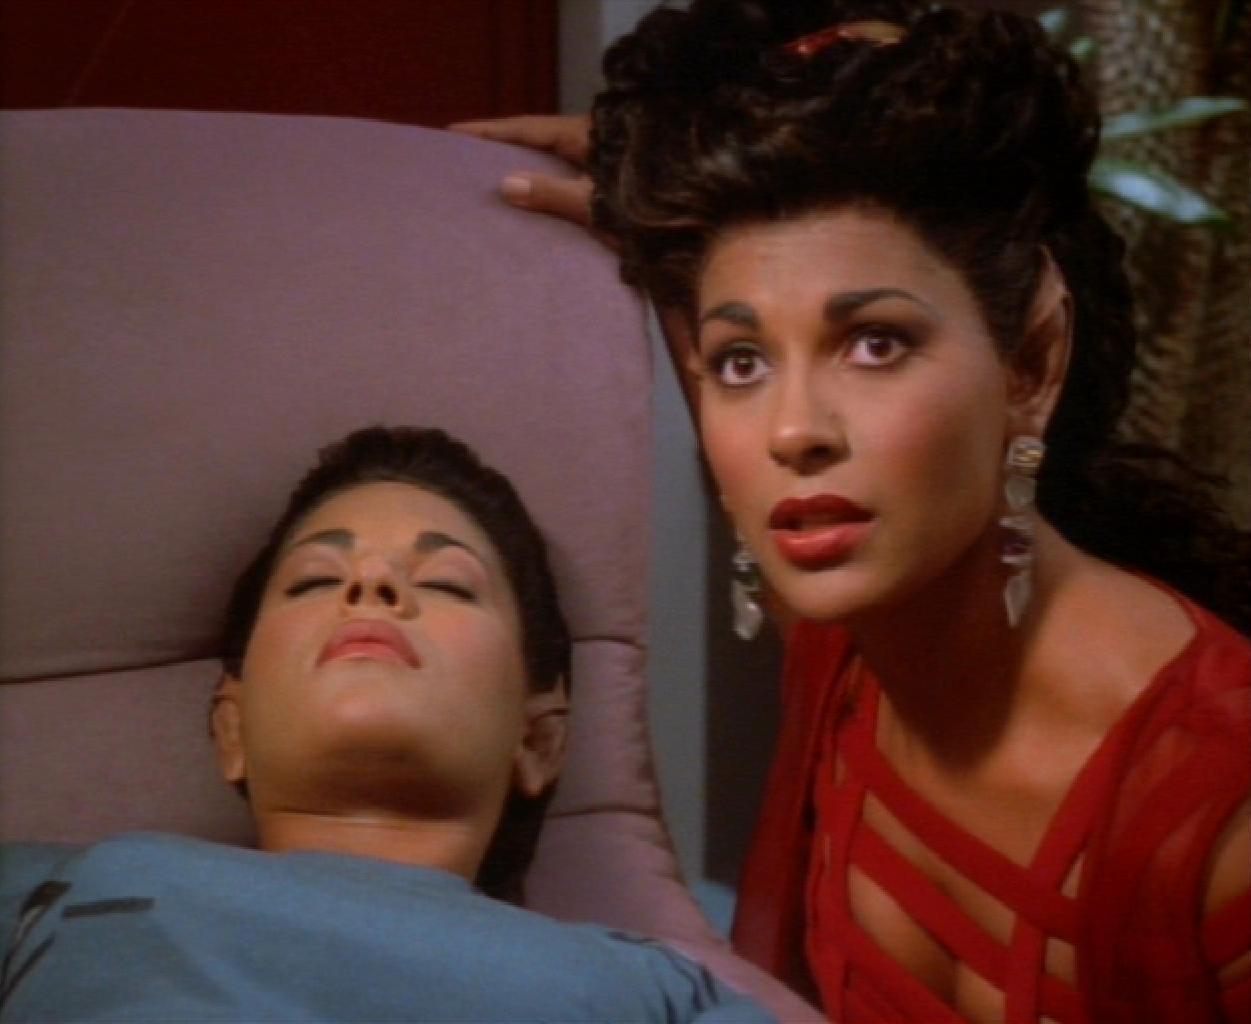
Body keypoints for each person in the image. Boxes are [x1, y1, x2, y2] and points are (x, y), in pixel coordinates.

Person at [452, 2, 1251, 1021]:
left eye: (875, 343)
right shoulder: (844, 646)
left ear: (1032, 361)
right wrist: (671, 198)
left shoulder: (1221, 807)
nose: (793, 432)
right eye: (743, 361)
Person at [0, 425, 774, 1023]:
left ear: (537, 739)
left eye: (447, 584)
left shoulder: (651, 987)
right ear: (230, 727)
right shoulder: (68, 885)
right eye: (314, 579)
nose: (371, 583)